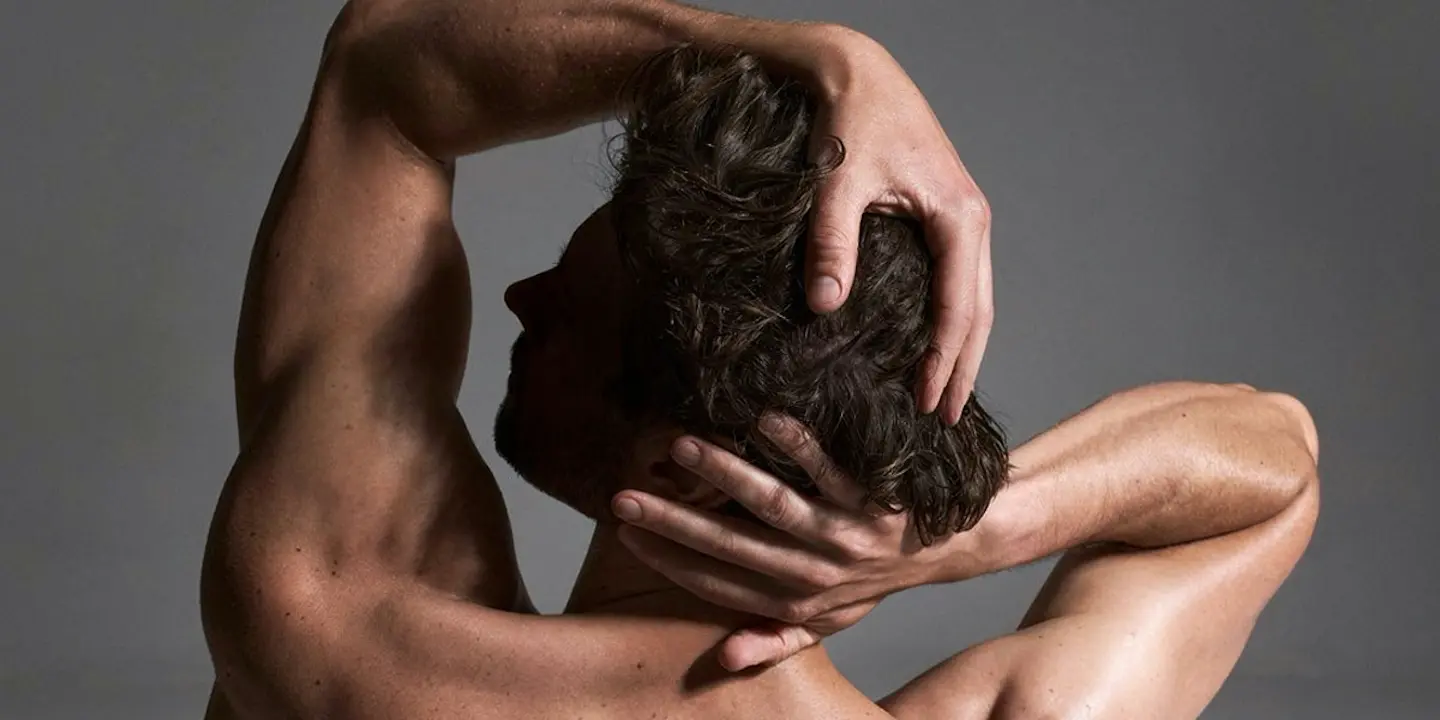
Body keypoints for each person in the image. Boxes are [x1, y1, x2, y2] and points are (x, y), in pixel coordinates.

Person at [199, 1, 1321, 718]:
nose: (521, 297)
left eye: (570, 311)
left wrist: (825, 54)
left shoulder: (334, 622)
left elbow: (386, 68)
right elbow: (1277, 464)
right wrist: (953, 536)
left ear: (679, 467)